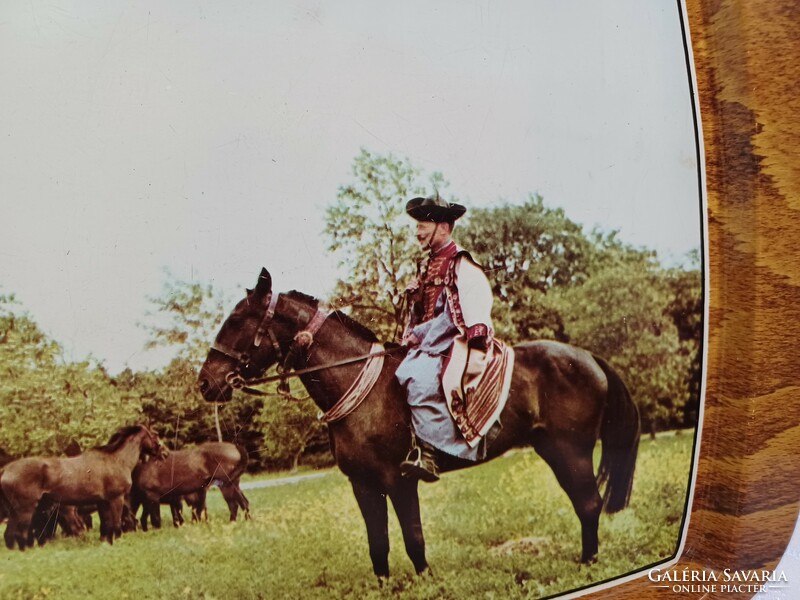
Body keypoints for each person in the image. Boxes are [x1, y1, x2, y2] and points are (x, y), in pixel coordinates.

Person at [395, 192, 495, 482]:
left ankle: (431, 455)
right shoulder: (428, 266)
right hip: (429, 343)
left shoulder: (460, 265)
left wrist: (418, 335)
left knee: (420, 379)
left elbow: (453, 317)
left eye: (423, 224)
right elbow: (423, 313)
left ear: (444, 226)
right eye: (417, 224)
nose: (417, 231)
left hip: (454, 341)